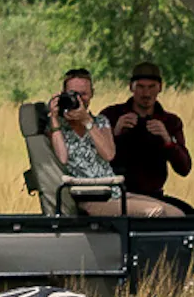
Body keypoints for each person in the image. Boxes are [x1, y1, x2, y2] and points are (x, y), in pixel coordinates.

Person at [49, 69, 177, 218]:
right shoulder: (58, 128)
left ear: (91, 95)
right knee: (156, 212)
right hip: (90, 198)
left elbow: (109, 154)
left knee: (177, 214)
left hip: (114, 192)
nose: (78, 99)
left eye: (83, 94)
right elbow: (62, 158)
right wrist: (54, 118)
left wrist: (86, 121)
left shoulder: (100, 122)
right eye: (73, 94)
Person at [97, 62, 193, 214]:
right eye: (140, 87)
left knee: (191, 217)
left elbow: (184, 168)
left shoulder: (170, 121)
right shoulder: (111, 115)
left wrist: (167, 141)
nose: (146, 94)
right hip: (117, 195)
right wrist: (114, 134)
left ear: (160, 88)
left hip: (154, 195)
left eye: (151, 87)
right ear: (131, 87)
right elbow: (94, 160)